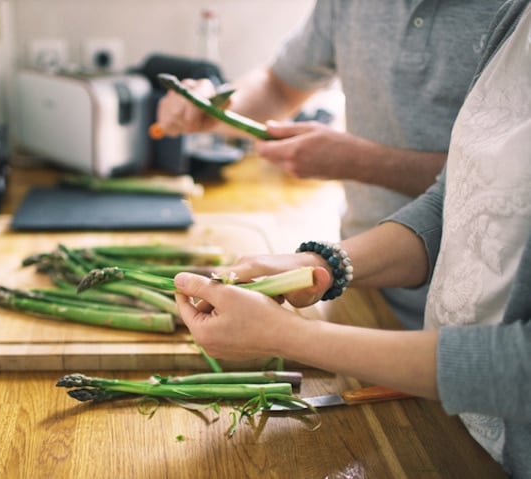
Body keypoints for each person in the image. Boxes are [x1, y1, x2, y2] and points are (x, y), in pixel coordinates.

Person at [172, 1, 531, 475]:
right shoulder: (517, 18)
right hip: (448, 406)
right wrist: (321, 264)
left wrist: (288, 335)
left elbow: (519, 364)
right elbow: (460, 195)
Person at [155, 1, 503, 330]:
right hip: (357, 272)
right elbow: (279, 85)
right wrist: (215, 108)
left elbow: (503, 183)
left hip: (481, 304)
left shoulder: (514, 14)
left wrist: (359, 162)